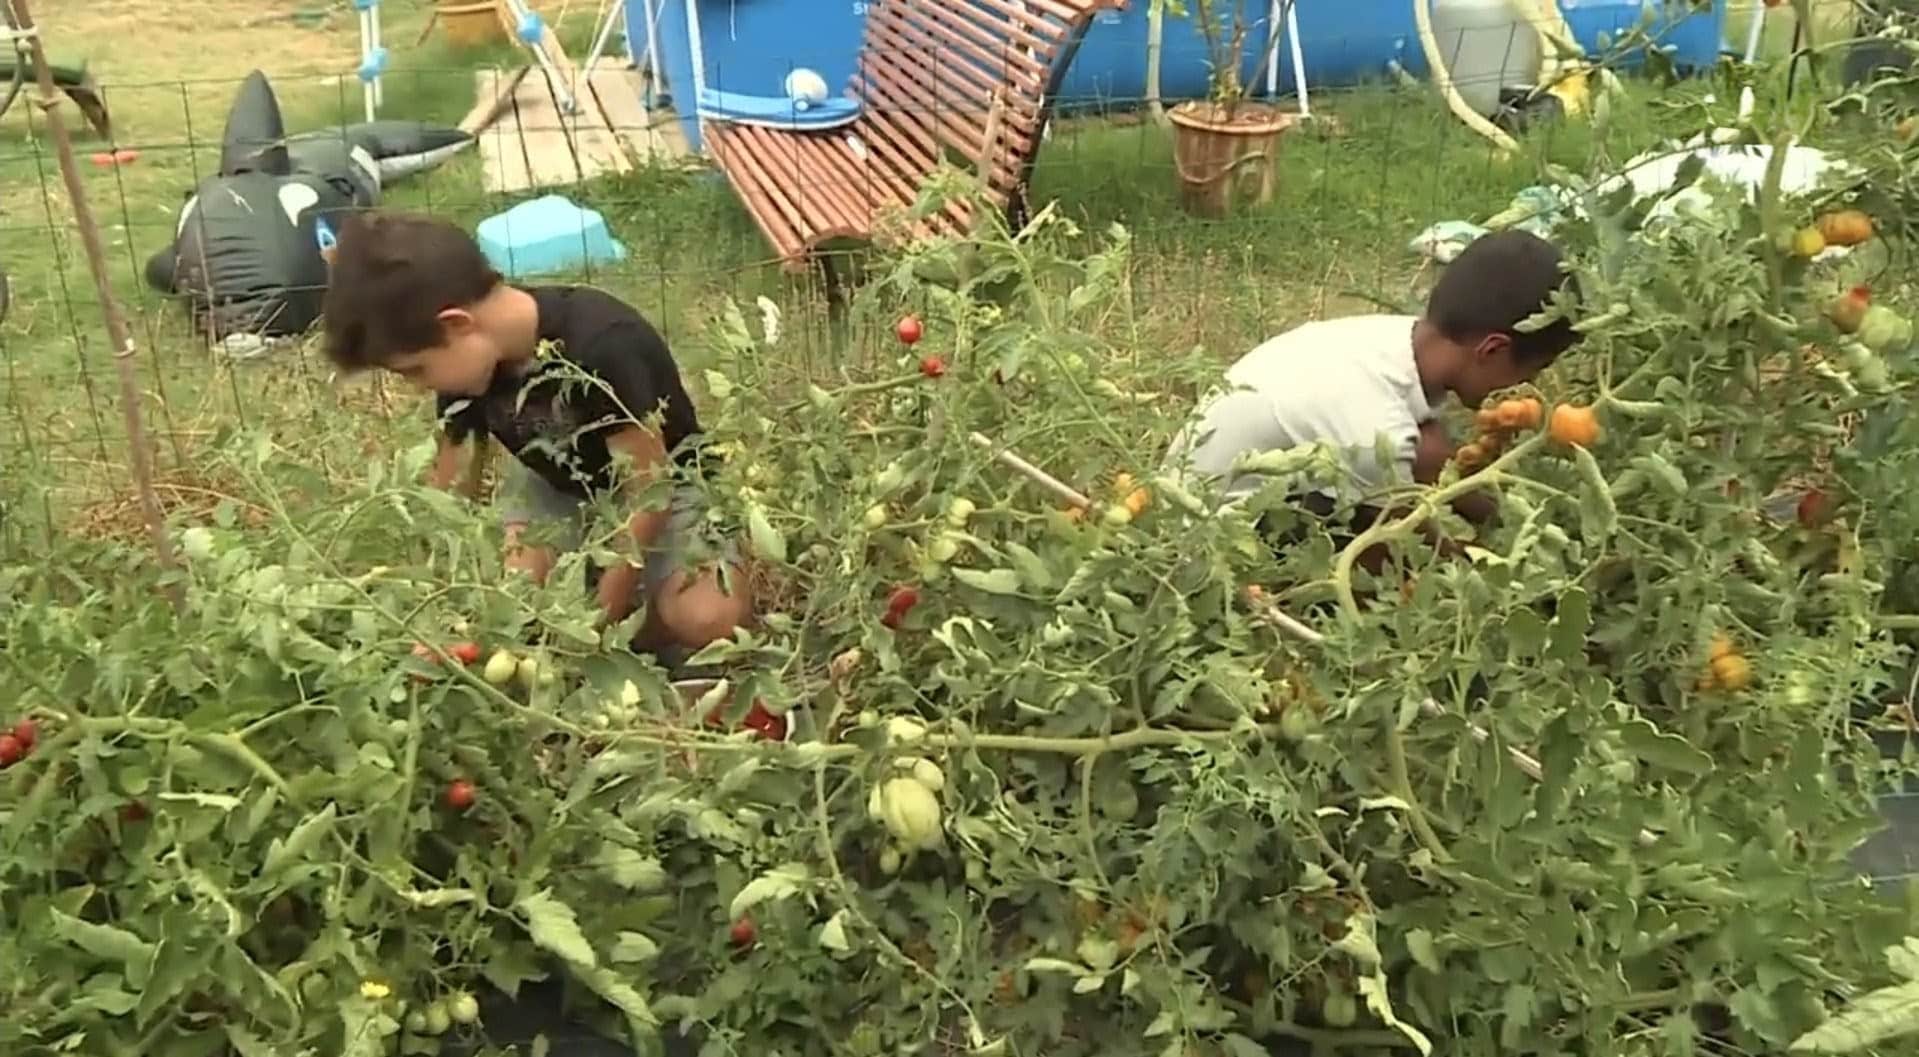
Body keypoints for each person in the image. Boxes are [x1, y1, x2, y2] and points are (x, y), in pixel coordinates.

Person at [319, 211, 752, 662]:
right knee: (516, 604)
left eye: (415, 370)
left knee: (709, 620)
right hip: (554, 486)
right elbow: (448, 494)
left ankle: (638, 625)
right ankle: (588, 605)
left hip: (668, 487)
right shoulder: (467, 371)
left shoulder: (601, 342)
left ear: (456, 324)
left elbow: (650, 491)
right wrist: (443, 600)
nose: (419, 385)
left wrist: (599, 617)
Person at [1162, 228, 1579, 543]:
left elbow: (1431, 454)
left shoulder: (1401, 343)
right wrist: (1492, 576)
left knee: (1428, 446)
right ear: (1492, 350)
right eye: (1534, 371)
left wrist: (1504, 522)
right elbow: (1401, 549)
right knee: (1369, 544)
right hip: (1204, 543)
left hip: (1203, 490)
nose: (1529, 386)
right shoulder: (1375, 427)